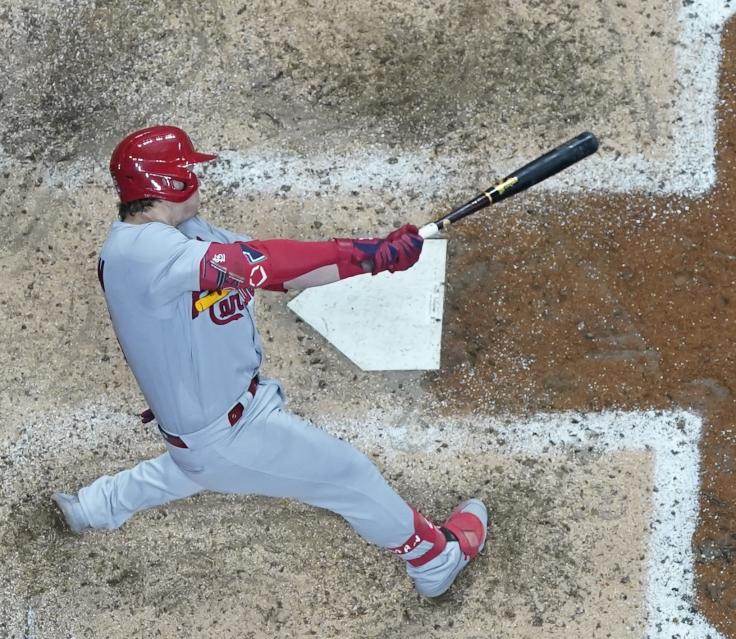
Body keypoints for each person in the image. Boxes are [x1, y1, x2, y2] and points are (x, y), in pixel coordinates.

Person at [52, 125, 487, 598]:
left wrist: (375, 257)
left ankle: (94, 507)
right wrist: (363, 255)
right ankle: (434, 559)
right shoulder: (141, 252)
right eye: (189, 170)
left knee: (192, 466)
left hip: (218, 421)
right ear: (170, 184)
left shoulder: (182, 235)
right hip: (225, 432)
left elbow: (277, 273)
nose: (198, 176)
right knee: (348, 475)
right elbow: (258, 264)